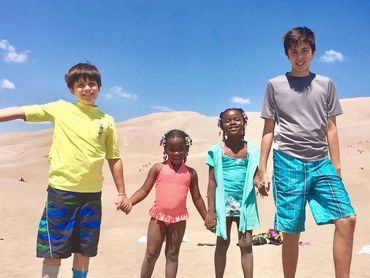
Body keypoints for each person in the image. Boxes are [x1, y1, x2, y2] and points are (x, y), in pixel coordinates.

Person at [0, 63, 131, 278]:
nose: (87, 89)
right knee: (54, 248)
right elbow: (20, 112)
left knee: (84, 248)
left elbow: (114, 157)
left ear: (99, 87)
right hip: (61, 192)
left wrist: (122, 192)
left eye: (92, 84)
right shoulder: (60, 108)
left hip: (91, 195)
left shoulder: (107, 121)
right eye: (80, 85)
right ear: (71, 89)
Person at [258, 27, 356, 278]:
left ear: (313, 52)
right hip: (287, 161)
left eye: (304, 51)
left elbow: (331, 127)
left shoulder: (326, 84)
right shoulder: (275, 85)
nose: (299, 57)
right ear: (287, 55)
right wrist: (262, 169)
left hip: (321, 161)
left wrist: (337, 164)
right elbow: (269, 129)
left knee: (347, 219)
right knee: (291, 230)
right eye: (294, 52)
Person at [127, 129, 207, 278]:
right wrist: (130, 202)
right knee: (151, 253)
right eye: (172, 149)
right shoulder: (158, 168)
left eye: (180, 149)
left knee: (172, 255)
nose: (176, 153)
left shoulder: (191, 173)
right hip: (158, 218)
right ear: (165, 149)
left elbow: (197, 198)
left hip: (178, 219)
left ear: (186, 149)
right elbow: (144, 190)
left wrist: (206, 217)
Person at [205, 108, 263, 278]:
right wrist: (210, 210)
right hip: (223, 204)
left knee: (246, 245)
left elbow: (255, 177)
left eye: (237, 119)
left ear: (244, 122)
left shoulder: (252, 151)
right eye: (228, 120)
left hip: (246, 203)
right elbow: (211, 182)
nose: (232, 123)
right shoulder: (216, 151)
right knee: (222, 243)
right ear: (221, 125)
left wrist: (260, 184)